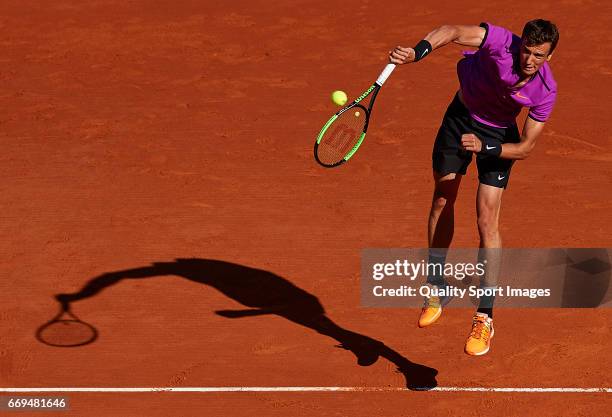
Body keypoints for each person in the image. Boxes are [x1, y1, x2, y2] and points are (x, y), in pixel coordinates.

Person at [389, 20, 559, 355]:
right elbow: (451, 31)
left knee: (486, 220)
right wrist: (417, 51)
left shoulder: (545, 90)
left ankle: (485, 315)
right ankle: (436, 285)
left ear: (549, 55)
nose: (529, 60)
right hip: (461, 118)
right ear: (520, 43)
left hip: (496, 137)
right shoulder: (499, 42)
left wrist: (486, 148)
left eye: (539, 55)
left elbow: (524, 148)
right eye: (526, 50)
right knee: (442, 197)